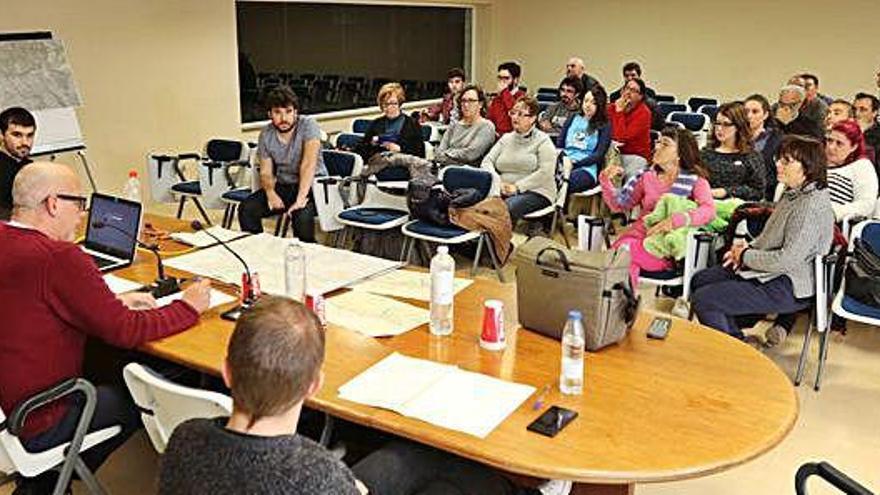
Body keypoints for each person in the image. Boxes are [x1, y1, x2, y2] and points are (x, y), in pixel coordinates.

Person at [0, 162, 212, 494]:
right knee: (139, 388)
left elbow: (32, 304)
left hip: (7, 407)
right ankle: (50, 480)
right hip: (39, 416)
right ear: (53, 203)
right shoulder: (58, 257)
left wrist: (112, 303)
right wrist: (189, 306)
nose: (82, 215)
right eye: (78, 204)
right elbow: (125, 331)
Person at [159, 296, 366, 495]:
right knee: (395, 460)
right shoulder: (321, 476)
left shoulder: (185, 438)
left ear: (226, 371)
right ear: (314, 386)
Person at [691, 135, 834, 341]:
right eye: (779, 159)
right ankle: (735, 335)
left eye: (786, 161)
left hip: (790, 284)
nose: (777, 164)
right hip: (773, 272)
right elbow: (771, 236)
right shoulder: (793, 192)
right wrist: (743, 250)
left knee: (705, 300)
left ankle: (738, 351)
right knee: (701, 280)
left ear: (808, 167)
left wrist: (746, 256)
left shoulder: (809, 206)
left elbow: (786, 260)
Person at [600, 126, 715, 287]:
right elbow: (619, 205)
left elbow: (709, 210)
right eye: (658, 142)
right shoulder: (646, 176)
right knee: (621, 262)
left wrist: (674, 221)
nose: (657, 147)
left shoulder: (696, 181)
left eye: (665, 144)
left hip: (663, 247)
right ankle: (620, 309)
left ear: (680, 154)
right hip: (637, 237)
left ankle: (617, 308)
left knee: (620, 257)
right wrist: (606, 181)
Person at [239, 86, 327, 241]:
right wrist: (271, 194)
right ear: (270, 114)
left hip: (313, 186)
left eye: (288, 111)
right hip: (284, 185)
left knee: (301, 216)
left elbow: (308, 165)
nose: (283, 118)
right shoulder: (266, 134)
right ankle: (258, 250)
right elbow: (265, 171)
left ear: (295, 112)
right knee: (247, 209)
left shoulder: (308, 125)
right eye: (277, 112)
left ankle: (307, 256)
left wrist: (300, 200)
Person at [481, 97, 557, 222]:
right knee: (474, 203)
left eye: (521, 114)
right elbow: (487, 161)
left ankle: (494, 241)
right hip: (502, 188)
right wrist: (497, 181)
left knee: (502, 209)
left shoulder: (543, 140)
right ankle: (478, 239)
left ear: (533, 118)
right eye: (513, 113)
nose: (515, 117)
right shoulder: (506, 138)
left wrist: (517, 187)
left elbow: (546, 172)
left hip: (536, 191)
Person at [700, 102, 766, 201]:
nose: (719, 128)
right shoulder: (705, 153)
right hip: (706, 203)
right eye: (717, 123)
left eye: (726, 124)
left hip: (738, 208)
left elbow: (758, 192)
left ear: (739, 127)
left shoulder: (751, 156)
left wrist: (726, 192)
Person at [556, 85, 612, 193]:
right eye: (586, 101)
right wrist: (564, 161)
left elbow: (599, 155)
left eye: (593, 103)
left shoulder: (605, 125)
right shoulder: (573, 118)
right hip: (564, 162)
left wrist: (575, 164)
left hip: (586, 168)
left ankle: (561, 208)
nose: (588, 105)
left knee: (565, 182)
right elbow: (560, 144)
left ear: (600, 105)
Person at [825, 120, 878, 222]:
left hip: (831, 221)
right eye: (829, 140)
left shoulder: (861, 166)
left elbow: (866, 204)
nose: (831, 147)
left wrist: (833, 212)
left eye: (839, 143)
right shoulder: (817, 162)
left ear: (854, 147)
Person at [433, 84, 496, 167]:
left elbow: (471, 155)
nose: (466, 105)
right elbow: (440, 152)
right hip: (445, 169)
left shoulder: (486, 126)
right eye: (463, 101)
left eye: (471, 101)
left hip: (469, 173)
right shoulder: (454, 126)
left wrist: (447, 154)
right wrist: (445, 156)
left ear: (480, 104)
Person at [358, 82, 426, 160]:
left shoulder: (412, 124)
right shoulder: (376, 124)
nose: (389, 107)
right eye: (385, 104)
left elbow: (419, 153)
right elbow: (362, 149)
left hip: (403, 165)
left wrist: (400, 149)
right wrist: (372, 144)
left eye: (393, 103)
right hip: (378, 163)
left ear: (399, 103)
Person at [607, 78, 652, 179]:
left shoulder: (644, 113)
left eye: (633, 90)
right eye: (627, 88)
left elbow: (620, 139)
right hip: (611, 152)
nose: (628, 92)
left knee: (630, 181)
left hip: (634, 155)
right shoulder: (610, 108)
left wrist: (619, 112)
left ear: (640, 96)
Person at [744, 94, 783, 200]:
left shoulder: (776, 140)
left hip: (763, 193)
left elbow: (774, 176)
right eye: (746, 112)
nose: (749, 116)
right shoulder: (734, 137)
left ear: (765, 115)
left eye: (755, 111)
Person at [0, 107, 36, 220]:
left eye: (30, 135)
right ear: (1, 135)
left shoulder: (32, 168)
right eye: (17, 135)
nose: (25, 142)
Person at [487, 61, 525, 136]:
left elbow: (516, 113)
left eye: (506, 78)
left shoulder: (523, 97)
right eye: (500, 78)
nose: (502, 82)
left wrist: (505, 92)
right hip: (496, 138)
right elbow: (490, 121)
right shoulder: (496, 99)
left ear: (516, 80)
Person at [853, 92, 880, 158]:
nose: (857, 114)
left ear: (874, 113)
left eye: (863, 110)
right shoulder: (846, 131)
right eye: (854, 109)